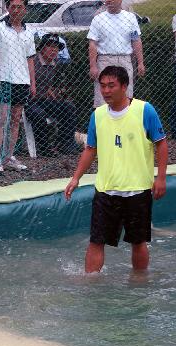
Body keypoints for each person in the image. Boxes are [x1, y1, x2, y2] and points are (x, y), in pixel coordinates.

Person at [63, 66, 168, 273]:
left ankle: (139, 282)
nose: (106, 91)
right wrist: (75, 178)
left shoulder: (144, 110)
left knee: (138, 242)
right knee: (96, 241)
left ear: (125, 86)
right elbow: (90, 149)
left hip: (137, 189)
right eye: (102, 86)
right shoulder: (98, 115)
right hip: (106, 190)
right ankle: (90, 284)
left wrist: (161, 178)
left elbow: (161, 144)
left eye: (111, 85)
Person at [0, 0, 36, 174]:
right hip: (2, 79)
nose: (15, 10)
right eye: (12, 7)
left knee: (15, 120)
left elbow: (30, 59)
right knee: (1, 118)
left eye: (19, 7)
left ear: (25, 10)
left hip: (22, 81)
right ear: (7, 9)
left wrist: (32, 83)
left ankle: (9, 157)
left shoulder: (29, 32)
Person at [25, 34, 79, 156]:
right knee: (39, 114)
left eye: (56, 48)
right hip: (29, 101)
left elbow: (47, 85)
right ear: (42, 48)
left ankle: (65, 145)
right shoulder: (33, 61)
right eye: (50, 46)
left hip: (44, 100)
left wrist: (52, 93)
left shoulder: (54, 64)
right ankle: (44, 149)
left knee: (68, 107)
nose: (54, 50)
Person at [87, 0, 144, 108]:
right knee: (103, 98)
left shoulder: (130, 17)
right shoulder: (98, 19)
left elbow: (136, 40)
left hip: (125, 60)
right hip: (104, 60)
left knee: (126, 96)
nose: (109, 1)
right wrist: (93, 66)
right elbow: (92, 43)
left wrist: (140, 62)